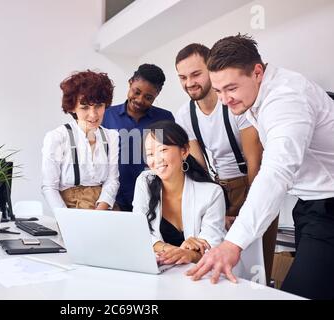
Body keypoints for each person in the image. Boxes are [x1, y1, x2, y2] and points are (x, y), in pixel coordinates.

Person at [187, 34, 334, 300]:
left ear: (257, 72)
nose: (224, 99)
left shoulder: (286, 99)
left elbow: (276, 171)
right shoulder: (256, 94)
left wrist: (233, 243)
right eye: (218, 90)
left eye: (231, 88)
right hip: (310, 203)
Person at [174, 43, 277, 284]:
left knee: (257, 262)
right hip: (216, 187)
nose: (189, 82)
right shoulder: (184, 114)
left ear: (211, 70)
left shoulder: (235, 103)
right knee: (216, 258)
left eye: (196, 74)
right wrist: (214, 203)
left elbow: (256, 160)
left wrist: (250, 204)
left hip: (251, 182)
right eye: (182, 77)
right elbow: (198, 163)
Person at [132, 120, 226, 265]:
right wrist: (172, 250)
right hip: (160, 270)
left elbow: (212, 246)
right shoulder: (145, 181)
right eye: (150, 154)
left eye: (163, 150)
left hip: (200, 274)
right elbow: (138, 233)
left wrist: (189, 255)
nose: (156, 160)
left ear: (184, 151)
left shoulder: (212, 193)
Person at [41, 70, 119, 210]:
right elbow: (49, 187)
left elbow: (112, 180)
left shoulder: (111, 137)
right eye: (84, 108)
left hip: (103, 207)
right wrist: (66, 218)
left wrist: (101, 210)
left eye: (98, 106)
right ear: (72, 108)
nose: (93, 114)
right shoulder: (57, 137)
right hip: (70, 208)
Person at [102, 64, 175, 211]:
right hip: (114, 199)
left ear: (157, 94)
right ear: (130, 82)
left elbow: (171, 158)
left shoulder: (165, 118)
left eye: (148, 97)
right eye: (136, 92)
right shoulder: (107, 115)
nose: (140, 100)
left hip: (154, 199)